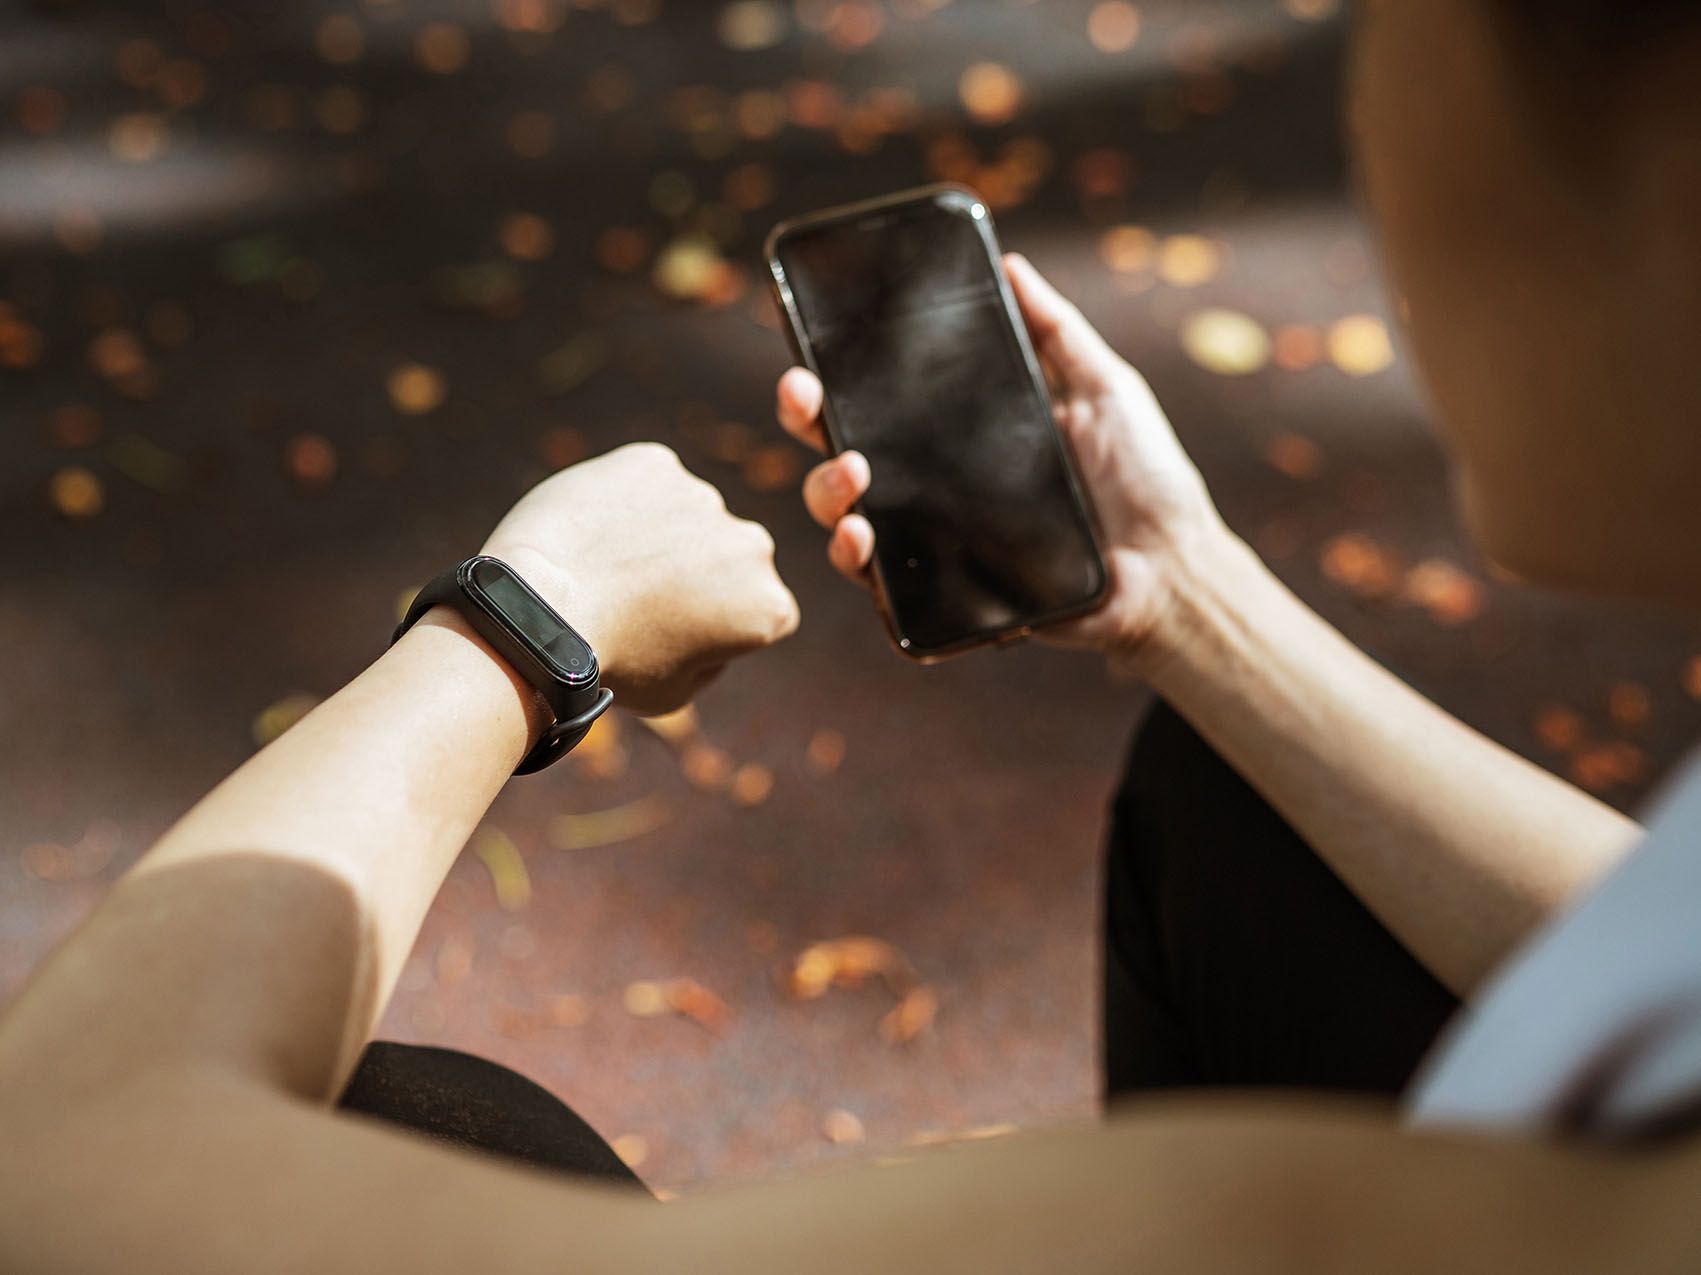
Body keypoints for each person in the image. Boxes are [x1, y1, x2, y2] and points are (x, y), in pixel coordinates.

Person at [4, 0, 1701, 1269]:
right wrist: (1192, 605)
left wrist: (524, 628)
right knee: (1259, 816)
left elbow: (62, 1162)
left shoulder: (1410, 1233)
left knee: (408, 1127)